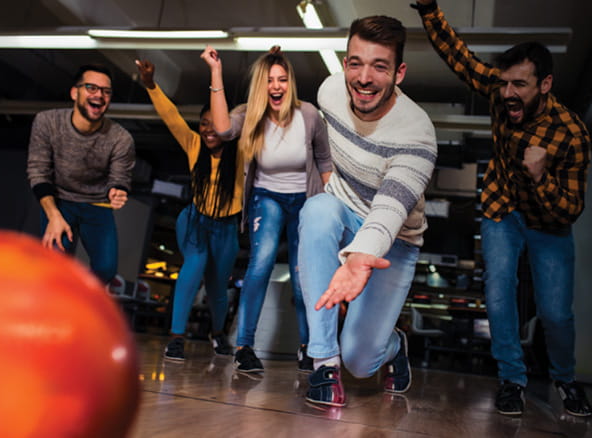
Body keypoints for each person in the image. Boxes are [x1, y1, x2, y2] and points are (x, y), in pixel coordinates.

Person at [413, 0, 592, 417]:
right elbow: (459, 58)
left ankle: (565, 380)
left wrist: (541, 177)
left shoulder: (571, 134)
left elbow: (570, 210)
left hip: (550, 223)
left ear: (545, 85)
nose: (509, 94)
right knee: (497, 292)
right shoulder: (501, 92)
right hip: (502, 207)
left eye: (520, 85)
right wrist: (429, 10)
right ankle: (512, 379)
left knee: (555, 313)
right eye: (506, 84)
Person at [298, 15, 437, 407]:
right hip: (342, 210)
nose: (364, 78)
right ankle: (323, 362)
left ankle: (393, 345)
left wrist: (360, 255)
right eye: (356, 63)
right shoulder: (329, 92)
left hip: (394, 239)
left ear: (399, 73)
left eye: (379, 67)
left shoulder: (417, 134)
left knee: (360, 362)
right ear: (345, 64)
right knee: (317, 210)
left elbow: (389, 210)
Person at [200, 45, 333, 373]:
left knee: (303, 275)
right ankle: (244, 347)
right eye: (269, 80)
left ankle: (309, 348)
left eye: (282, 79)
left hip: (306, 200)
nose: (276, 86)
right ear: (261, 86)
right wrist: (216, 71)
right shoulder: (250, 115)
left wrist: (332, 208)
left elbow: (325, 162)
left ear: (291, 83)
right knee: (260, 264)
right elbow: (222, 129)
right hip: (267, 196)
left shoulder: (309, 115)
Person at [135, 59, 241, 361]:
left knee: (217, 288)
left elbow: (259, 119)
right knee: (194, 265)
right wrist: (150, 85)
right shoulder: (194, 145)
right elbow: (171, 116)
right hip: (195, 220)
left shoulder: (242, 154)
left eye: (214, 122)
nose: (208, 129)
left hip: (226, 228)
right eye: (204, 123)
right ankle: (176, 337)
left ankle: (217, 333)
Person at [27, 64, 135, 285]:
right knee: (53, 261)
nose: (100, 95)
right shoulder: (47, 122)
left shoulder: (121, 138)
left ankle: (76, 297)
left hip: (97, 204)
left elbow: (120, 178)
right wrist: (53, 215)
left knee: (105, 269)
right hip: (59, 200)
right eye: (92, 88)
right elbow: (38, 171)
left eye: (106, 91)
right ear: (75, 93)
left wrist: (118, 191)